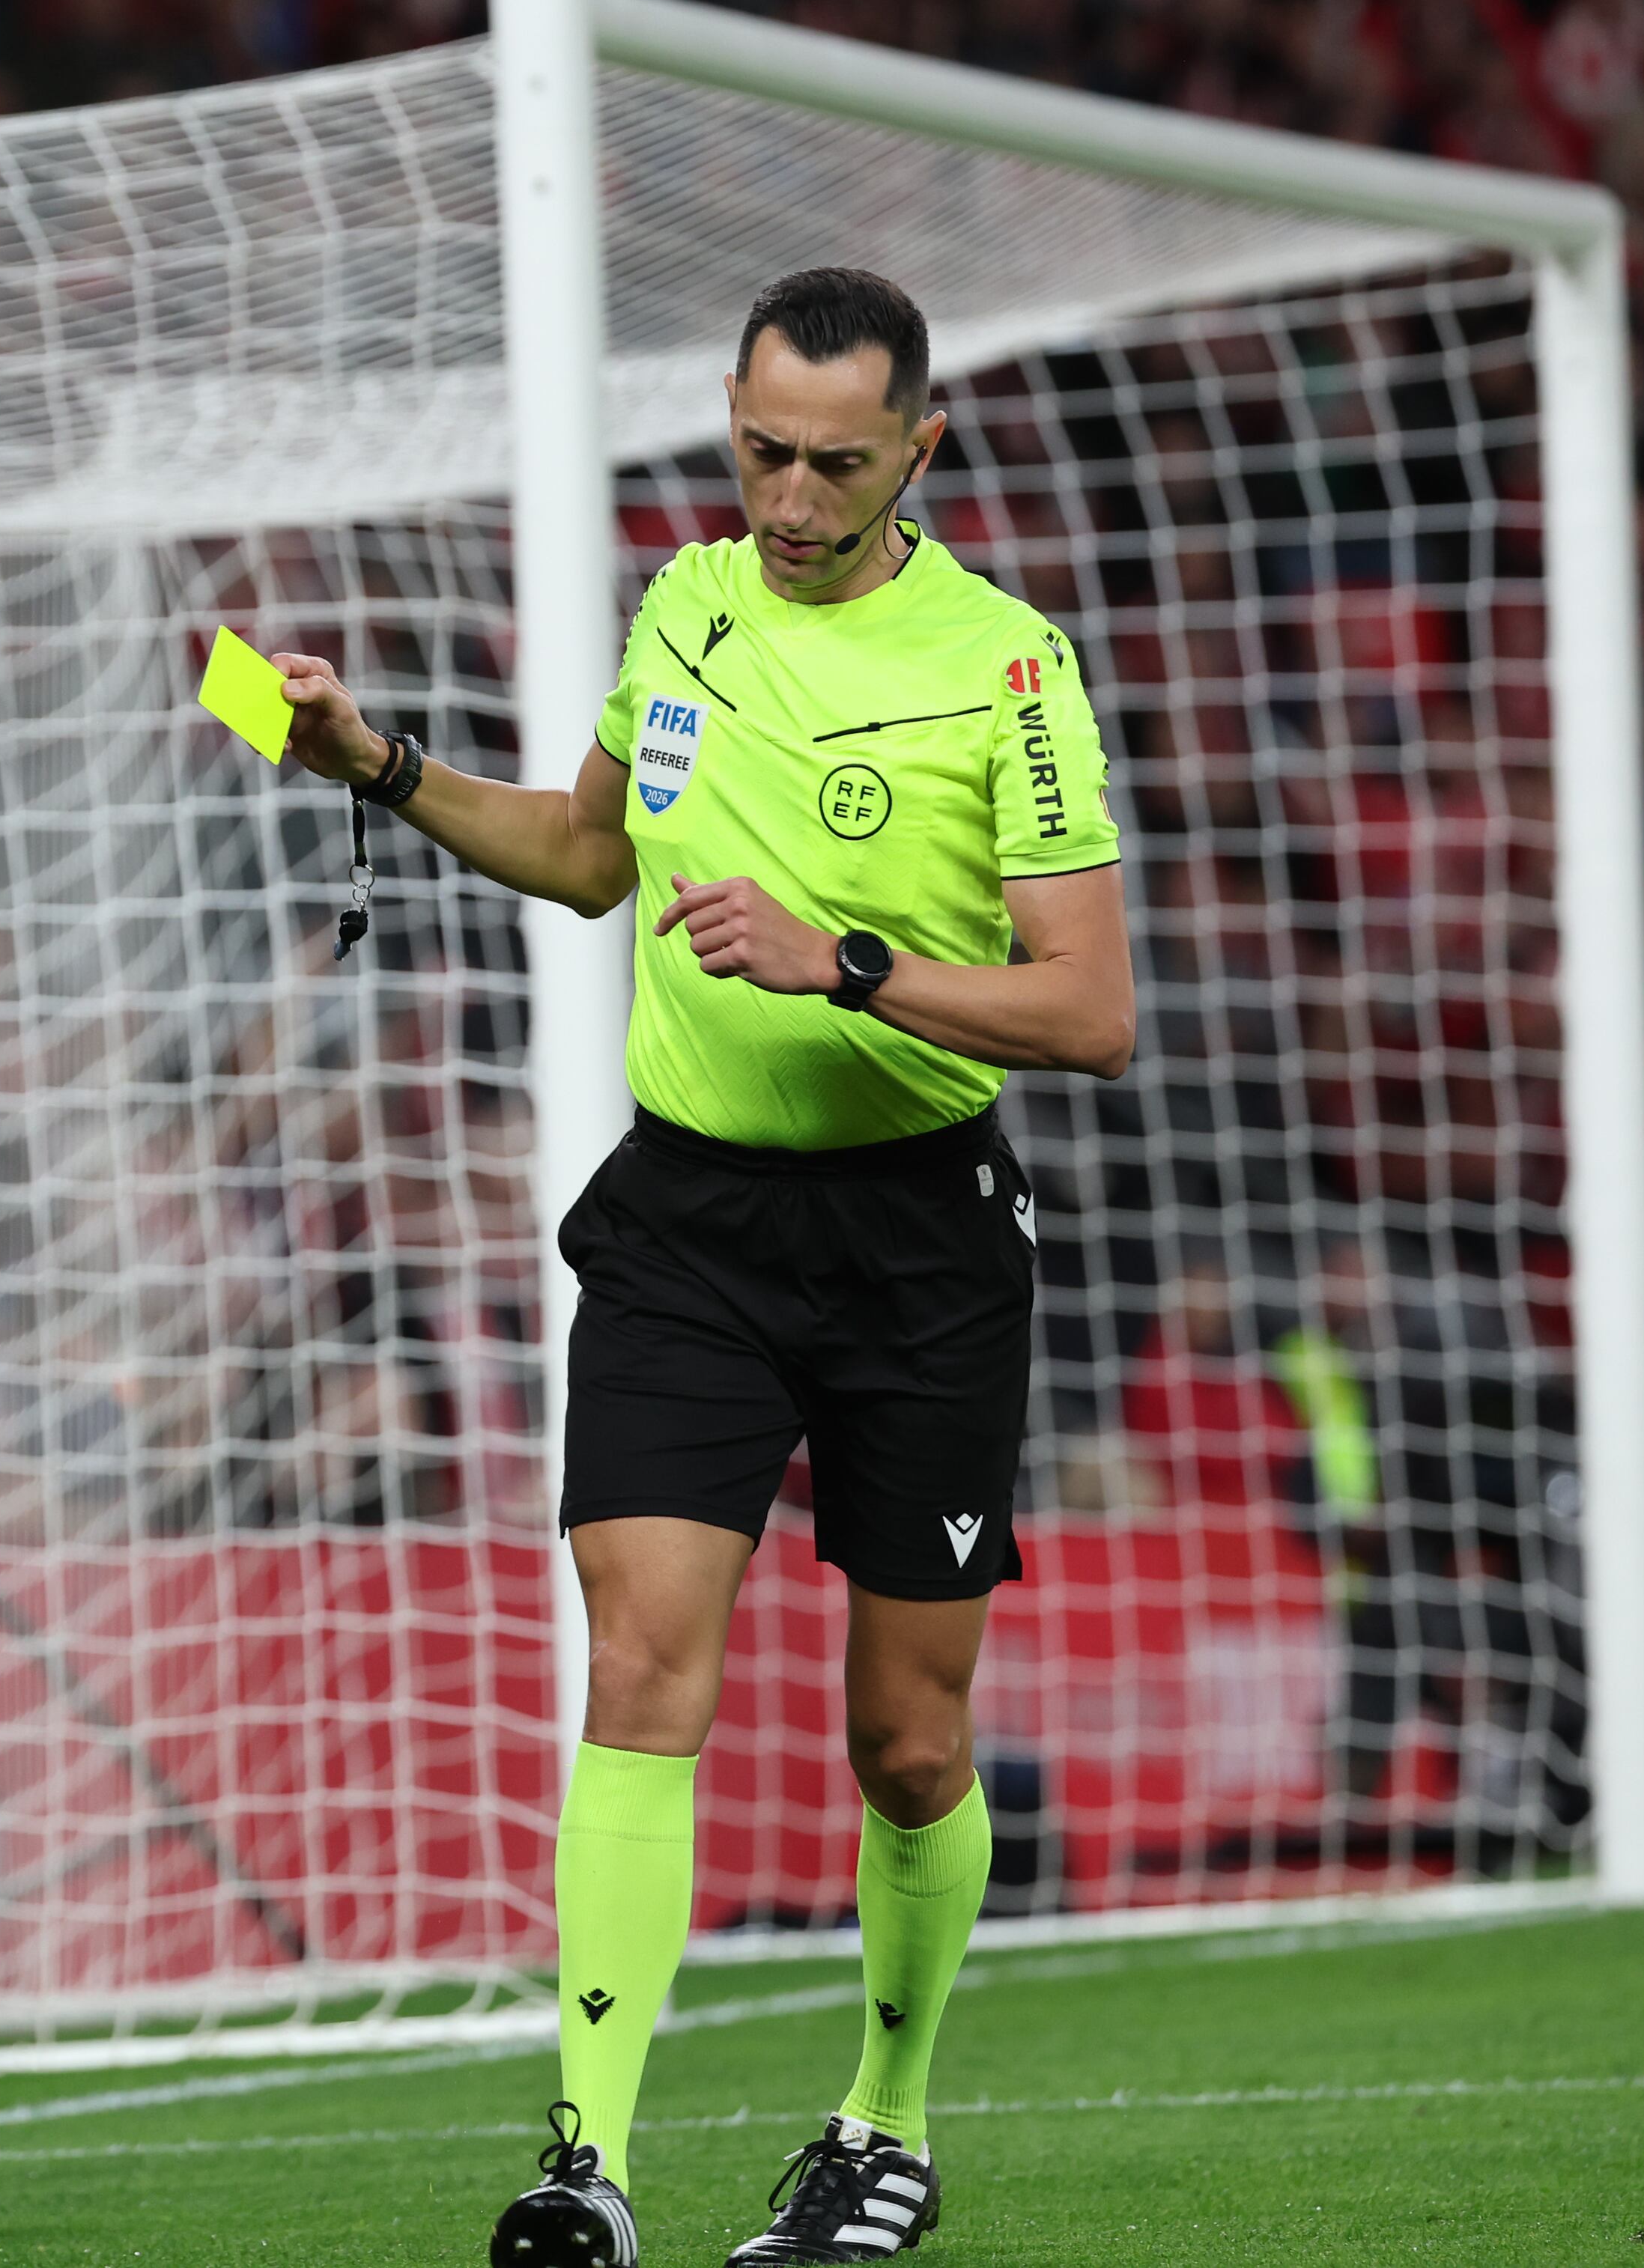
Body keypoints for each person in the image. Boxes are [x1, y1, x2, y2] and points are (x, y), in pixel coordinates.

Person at [275, 270, 1131, 2267]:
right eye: (760, 448)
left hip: (920, 1234)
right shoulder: (685, 603)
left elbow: (1090, 1010)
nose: (792, 492)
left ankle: (881, 2125)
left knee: (907, 1737)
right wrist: (374, 763)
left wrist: (842, 958)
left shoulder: (1009, 666)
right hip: (692, 1220)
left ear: (923, 447)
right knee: (645, 1658)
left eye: (838, 459)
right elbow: (590, 855)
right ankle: (588, 2162)